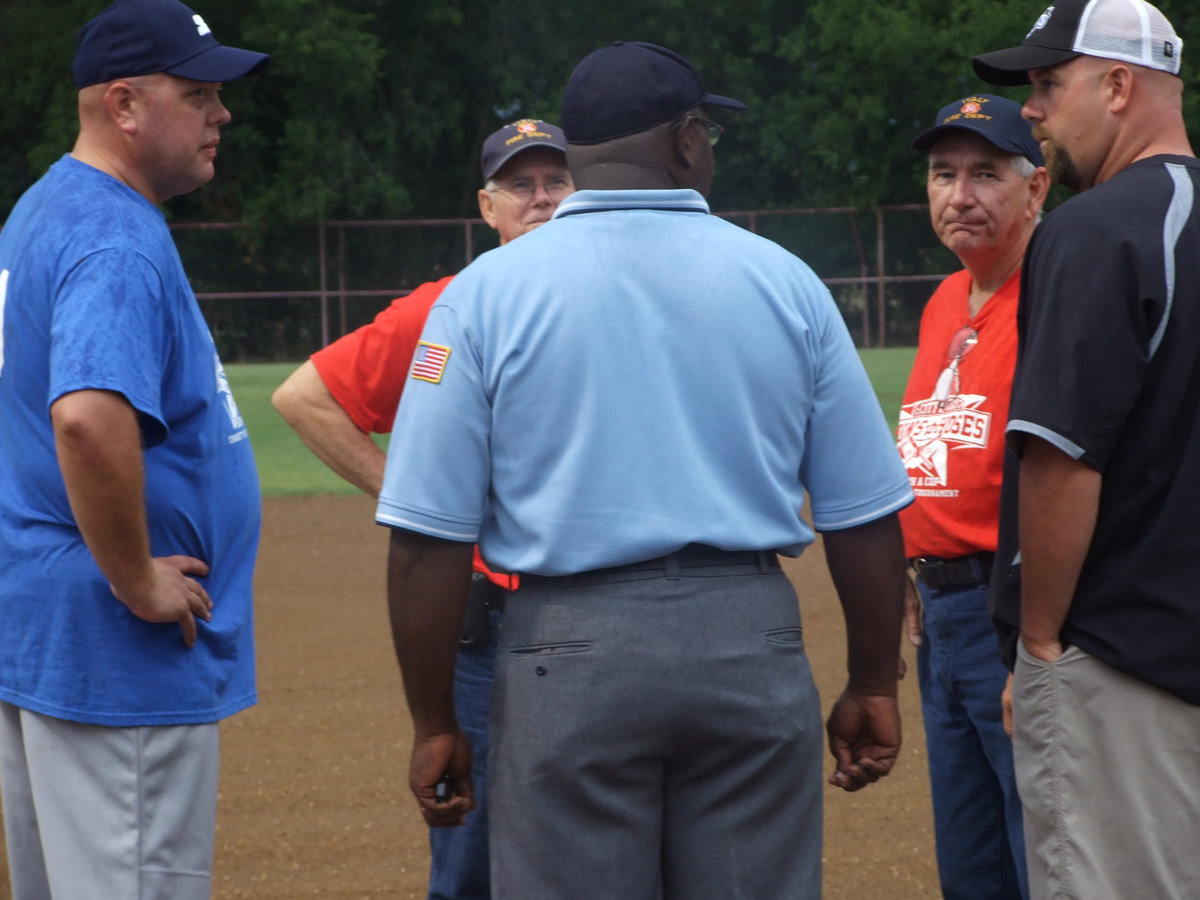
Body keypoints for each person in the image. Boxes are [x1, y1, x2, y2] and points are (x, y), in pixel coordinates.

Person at [375, 40, 913, 898]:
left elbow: (425, 538)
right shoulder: (788, 282)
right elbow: (864, 513)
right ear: (687, 139)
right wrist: (872, 682)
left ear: (579, 155)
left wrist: (435, 721)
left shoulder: (482, 294)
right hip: (750, 640)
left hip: (568, 650)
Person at [0, 1, 268, 898]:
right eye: (197, 93)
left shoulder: (42, 209)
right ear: (123, 104)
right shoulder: (114, 234)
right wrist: (135, 578)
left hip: (47, 633)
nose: (220, 113)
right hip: (117, 659)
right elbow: (83, 416)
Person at [272, 118, 572, 900]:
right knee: (469, 854)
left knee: (588, 844)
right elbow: (304, 397)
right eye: (521, 185)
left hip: (594, 619)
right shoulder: (446, 307)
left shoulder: (615, 301)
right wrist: (411, 495)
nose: (540, 199)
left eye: (556, 181)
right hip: (484, 625)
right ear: (488, 205)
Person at [971, 1, 1200, 897]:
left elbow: (1062, 462)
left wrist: (1036, 646)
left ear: (1117, 86)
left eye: (1045, 84)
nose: (1030, 111)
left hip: (1119, 666)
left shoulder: (1097, 228)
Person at [898, 94, 1048, 900]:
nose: (960, 194)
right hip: (941, 613)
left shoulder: (1054, 296)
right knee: (971, 859)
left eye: (985, 173)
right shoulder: (942, 301)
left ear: (1037, 189)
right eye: (943, 174)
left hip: (1010, 608)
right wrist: (906, 560)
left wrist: (1035, 634)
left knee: (1040, 852)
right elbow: (930, 454)